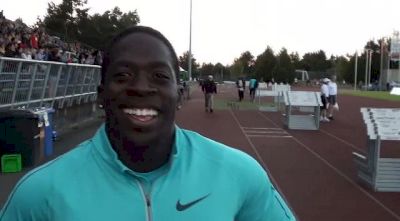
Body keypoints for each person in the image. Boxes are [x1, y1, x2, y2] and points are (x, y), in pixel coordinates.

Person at [0, 26, 296, 221]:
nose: (141, 88)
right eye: (123, 75)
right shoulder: (39, 194)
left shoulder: (240, 175)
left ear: (178, 95)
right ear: (101, 95)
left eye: (159, 76)